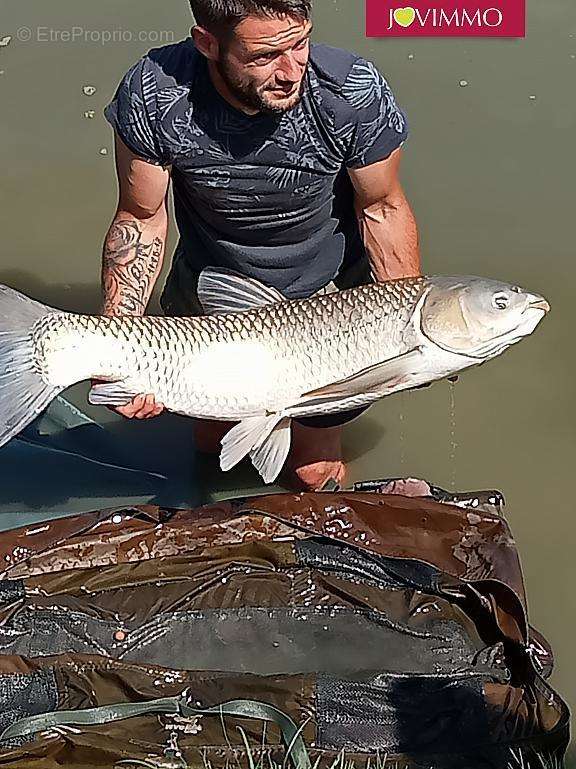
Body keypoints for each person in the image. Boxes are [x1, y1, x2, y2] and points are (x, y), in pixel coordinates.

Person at [100, 0, 421, 491]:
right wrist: (117, 346)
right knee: (212, 443)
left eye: (301, 43)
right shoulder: (156, 94)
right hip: (214, 292)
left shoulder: (350, 91)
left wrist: (406, 329)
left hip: (329, 305)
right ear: (207, 43)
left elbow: (382, 208)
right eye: (266, 55)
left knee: (311, 474)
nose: (292, 71)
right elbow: (142, 219)